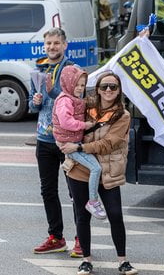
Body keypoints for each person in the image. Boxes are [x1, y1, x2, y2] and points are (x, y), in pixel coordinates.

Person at [61, 72, 138, 275]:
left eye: (113, 86)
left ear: (119, 90)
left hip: (107, 171)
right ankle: (86, 260)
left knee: (115, 215)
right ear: (97, 89)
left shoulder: (123, 115)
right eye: (104, 87)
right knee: (82, 216)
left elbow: (108, 144)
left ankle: (123, 260)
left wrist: (77, 148)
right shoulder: (86, 106)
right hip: (80, 170)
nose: (108, 90)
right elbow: (64, 109)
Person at [29, 27, 82, 258]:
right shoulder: (38, 68)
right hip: (44, 138)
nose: (52, 47)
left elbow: (76, 101)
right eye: (48, 43)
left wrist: (50, 92)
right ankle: (56, 237)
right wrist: (36, 100)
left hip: (68, 142)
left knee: (76, 192)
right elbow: (32, 107)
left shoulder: (73, 71)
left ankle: (82, 239)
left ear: (65, 45)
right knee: (48, 191)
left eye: (56, 43)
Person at [52, 64, 106, 220]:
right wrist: (84, 125)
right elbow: (65, 121)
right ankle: (93, 201)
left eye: (82, 85)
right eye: (77, 84)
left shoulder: (73, 99)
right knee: (96, 168)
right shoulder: (65, 100)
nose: (80, 88)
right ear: (68, 83)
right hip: (68, 143)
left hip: (71, 141)